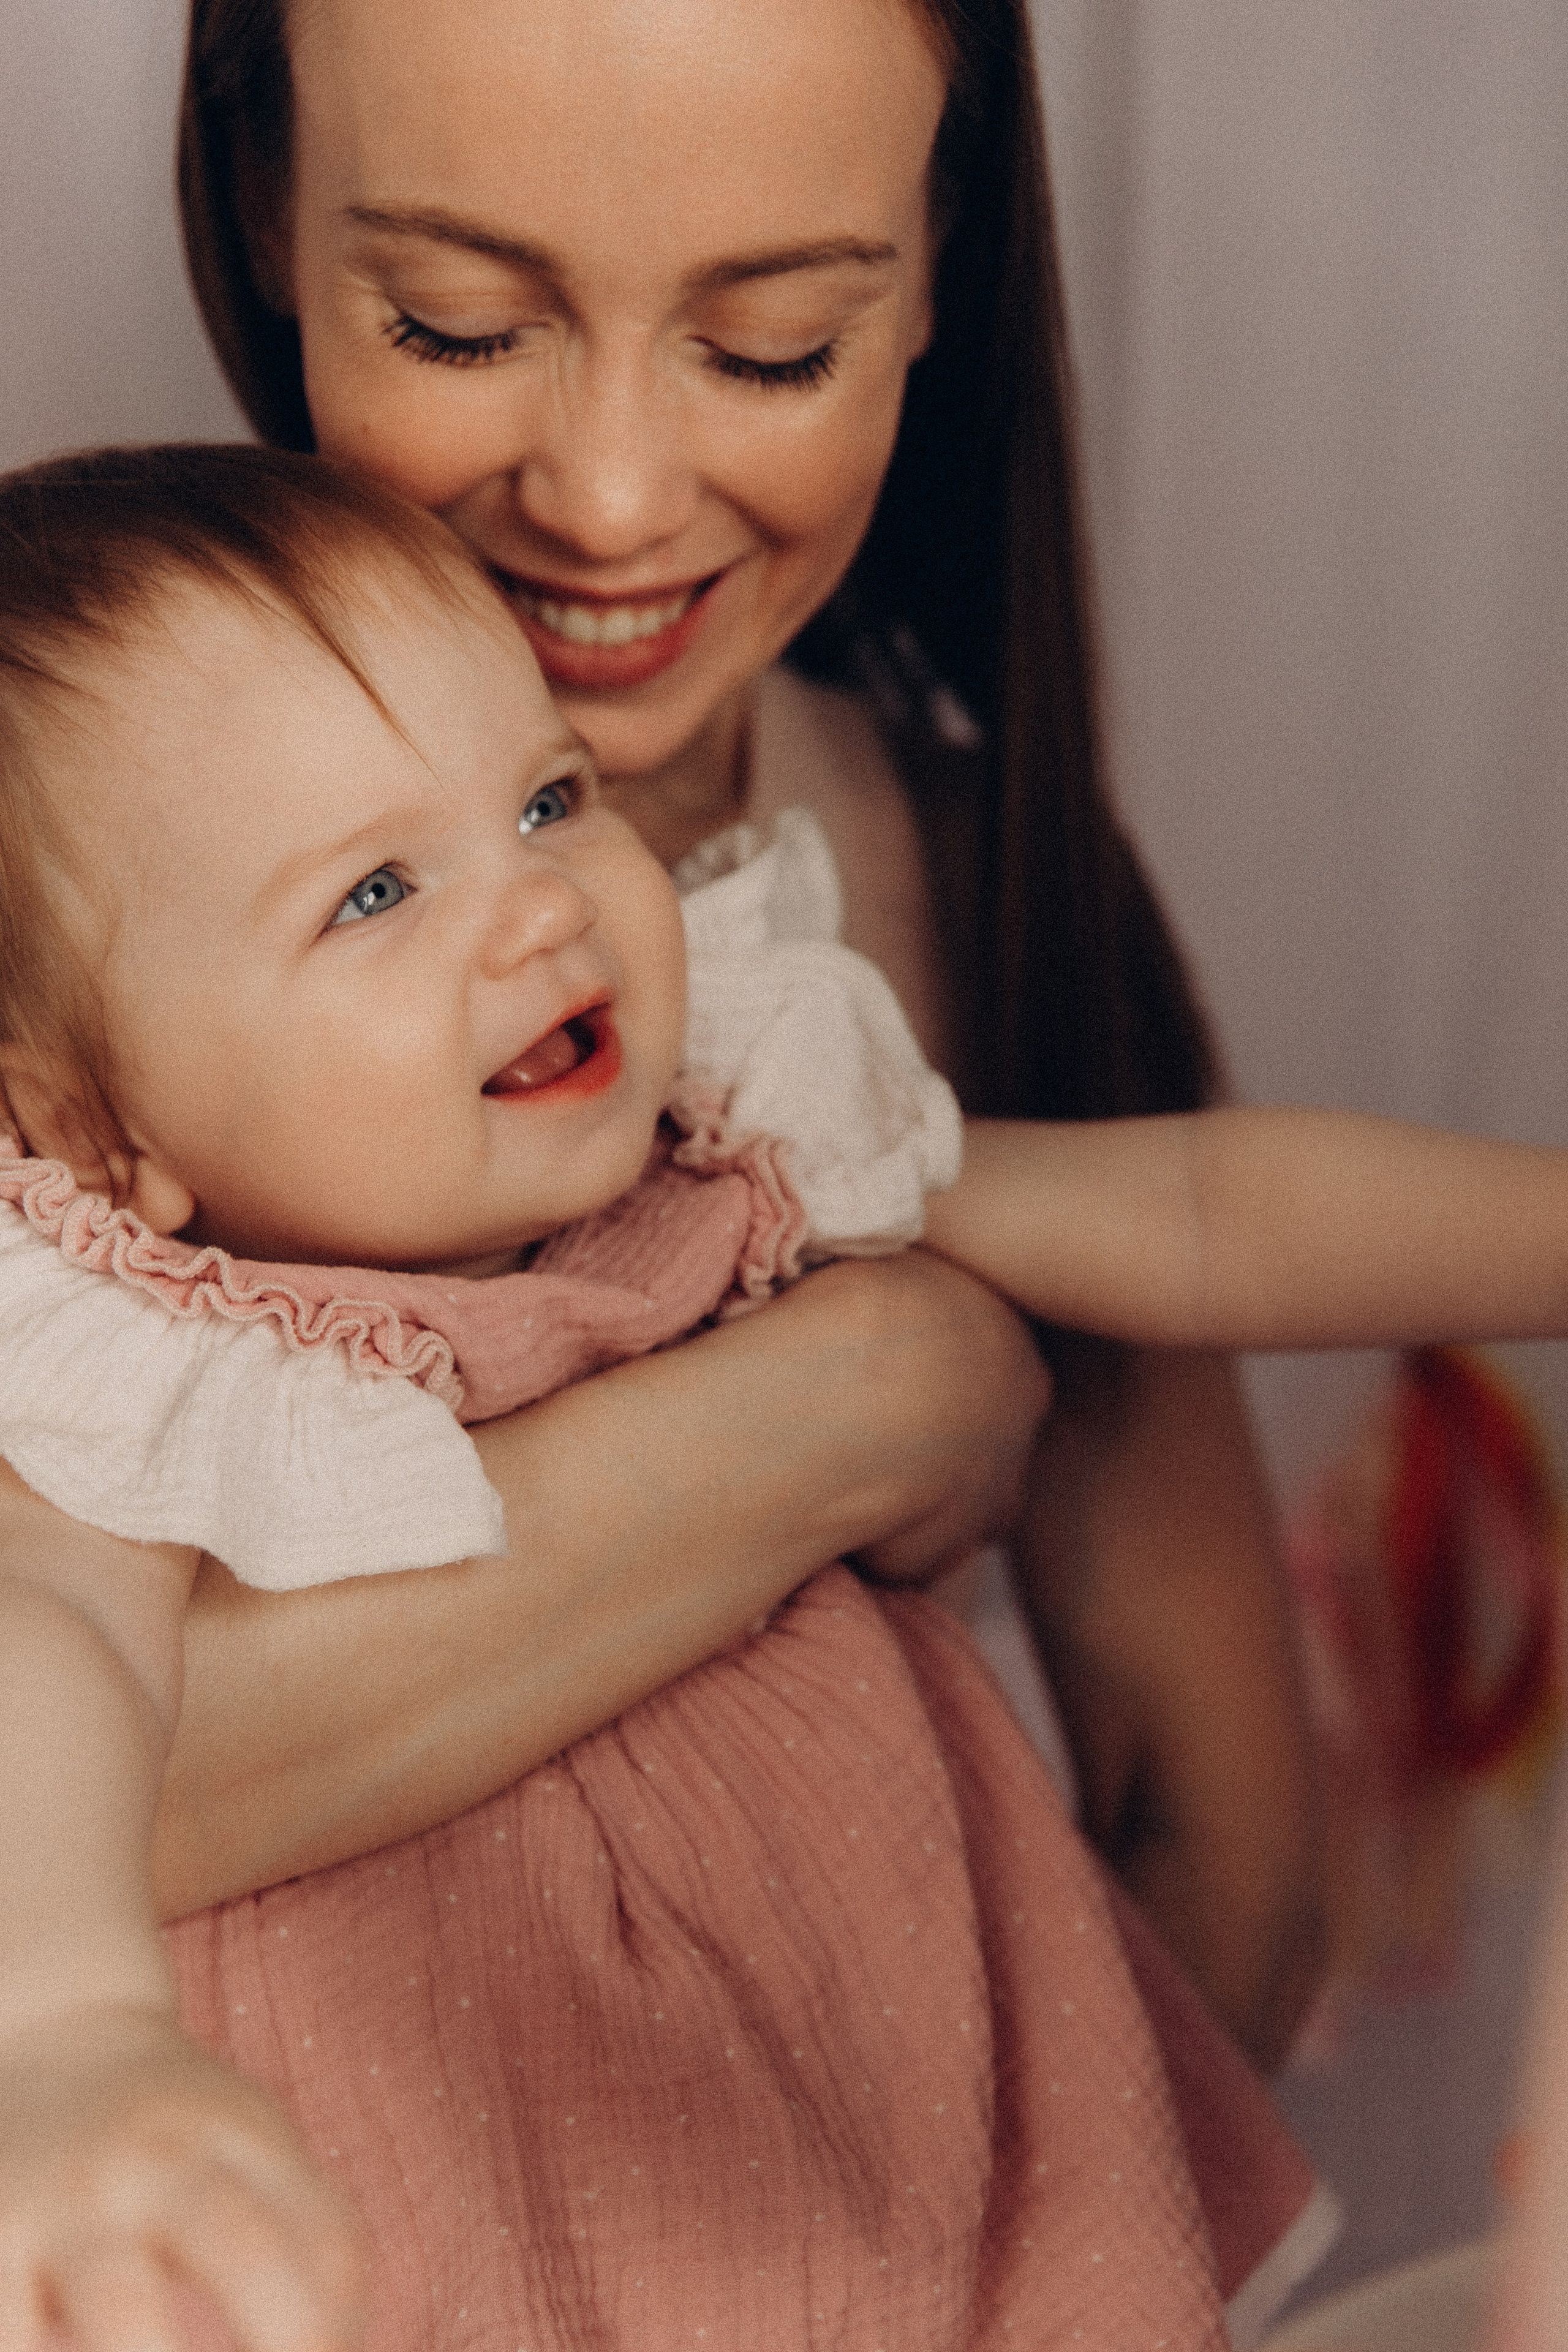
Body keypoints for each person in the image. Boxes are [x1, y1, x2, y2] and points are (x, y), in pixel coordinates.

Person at [48, 0, 1318, 2073]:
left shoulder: (987, 880)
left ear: (935, 272)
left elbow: (1234, 1872)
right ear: (268, 204)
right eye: (458, 325)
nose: (616, 501)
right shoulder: (54, 879)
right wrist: (857, 1403)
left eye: (771, 348)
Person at [0, 445, 1329, 2352]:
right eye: (375, 891)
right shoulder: (151, 1356)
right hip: (456, 2210)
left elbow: (1198, 1212)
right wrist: (60, 2033)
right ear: (83, 1127)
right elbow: (43, 1637)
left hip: (893, 2141)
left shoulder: (740, 1127)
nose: (538, 908)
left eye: (550, 798)